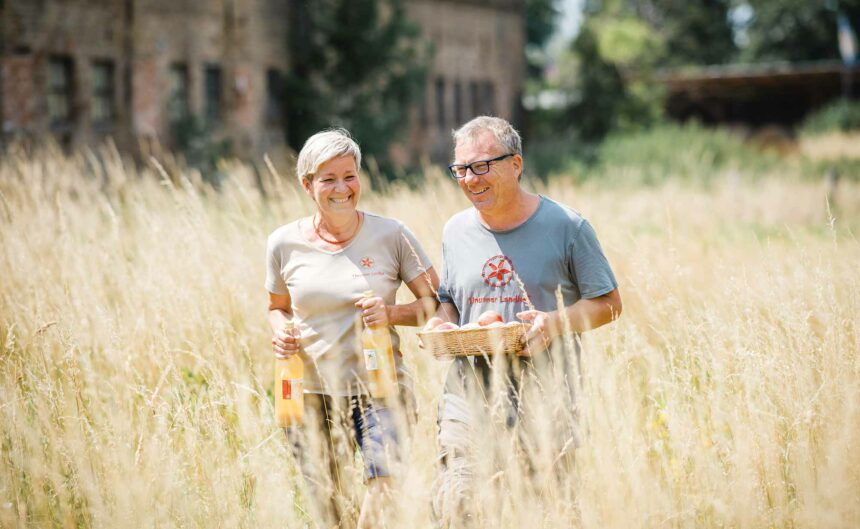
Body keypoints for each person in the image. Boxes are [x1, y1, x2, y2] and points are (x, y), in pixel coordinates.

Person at [430, 116, 622, 523]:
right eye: (461, 169)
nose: (469, 179)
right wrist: (442, 325)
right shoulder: (455, 230)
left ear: (516, 164)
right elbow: (448, 298)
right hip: (468, 395)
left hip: (547, 395)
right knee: (458, 502)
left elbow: (608, 303)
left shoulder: (567, 226)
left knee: (543, 509)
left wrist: (553, 322)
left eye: (482, 165)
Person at [265, 128, 439, 528]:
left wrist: (391, 314)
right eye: (328, 179)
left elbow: (437, 305)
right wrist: (281, 330)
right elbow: (276, 307)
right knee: (329, 502)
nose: (342, 188)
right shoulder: (283, 243)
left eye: (350, 176)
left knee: (386, 483)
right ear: (307, 185)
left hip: (381, 389)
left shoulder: (392, 234)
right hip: (308, 393)